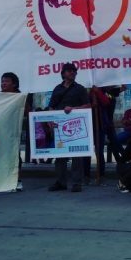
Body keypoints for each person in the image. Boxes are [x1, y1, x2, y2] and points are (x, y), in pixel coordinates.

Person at [47, 63, 91, 193]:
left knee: (77, 156)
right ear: (63, 73)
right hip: (59, 127)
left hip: (75, 127)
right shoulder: (57, 89)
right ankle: (61, 182)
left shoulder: (80, 89)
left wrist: (73, 109)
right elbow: (51, 106)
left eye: (74, 71)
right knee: (60, 155)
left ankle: (77, 183)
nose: (72, 72)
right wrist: (50, 120)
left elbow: (88, 106)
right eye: (69, 70)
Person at [0, 72, 30, 191]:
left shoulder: (20, 97)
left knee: (15, 157)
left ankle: (17, 180)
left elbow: (28, 112)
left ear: (14, 84)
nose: (3, 84)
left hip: (14, 132)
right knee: (1, 156)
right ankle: (2, 180)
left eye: (6, 81)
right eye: (2, 81)